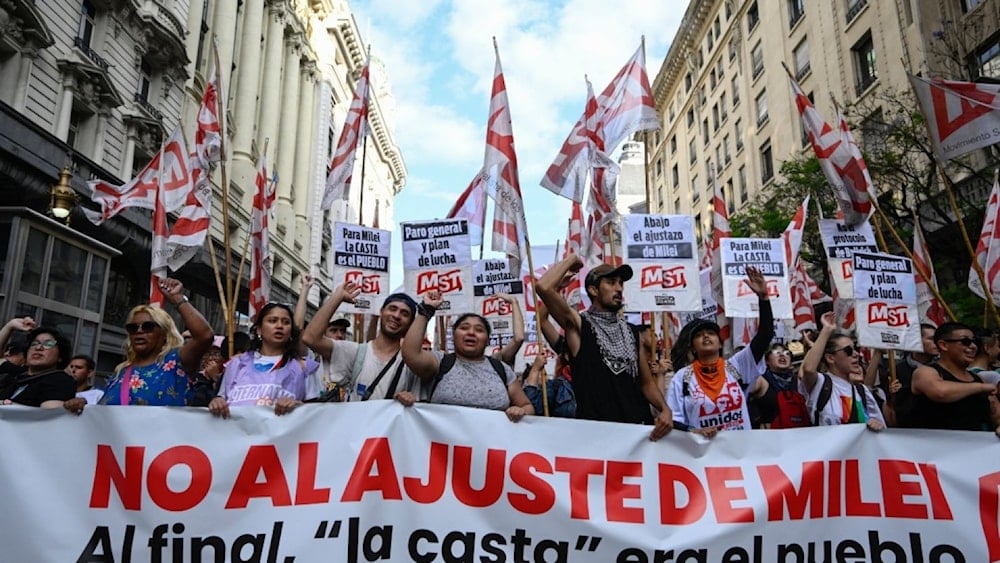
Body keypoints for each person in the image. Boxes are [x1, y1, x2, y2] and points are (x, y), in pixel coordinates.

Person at [535, 255, 672, 440]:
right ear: (593, 289)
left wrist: (664, 409)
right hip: (598, 437)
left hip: (636, 434)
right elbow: (543, 287)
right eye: (611, 282)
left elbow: (645, 382)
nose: (619, 288)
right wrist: (571, 261)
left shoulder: (631, 332)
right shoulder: (580, 324)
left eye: (621, 283)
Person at [66, 278, 213, 412]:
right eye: (133, 328)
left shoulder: (176, 362)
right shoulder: (121, 372)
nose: (139, 331)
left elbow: (204, 336)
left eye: (148, 327)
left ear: (163, 333)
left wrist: (177, 299)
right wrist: (83, 405)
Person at [395, 290, 534, 422]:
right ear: (454, 336)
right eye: (464, 328)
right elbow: (411, 353)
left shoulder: (501, 369)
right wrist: (426, 311)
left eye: (479, 330)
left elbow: (527, 406)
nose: (471, 333)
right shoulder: (441, 362)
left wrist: (521, 411)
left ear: (487, 340)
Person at [666, 267, 774, 435]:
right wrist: (693, 431)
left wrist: (764, 298)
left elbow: (765, 336)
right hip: (704, 455)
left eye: (711, 333)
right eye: (700, 335)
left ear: (720, 343)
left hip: (740, 452)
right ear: (693, 347)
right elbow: (673, 420)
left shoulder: (737, 366)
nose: (706, 337)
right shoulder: (682, 378)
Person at [302, 283, 421, 402]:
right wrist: (337, 297)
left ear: (411, 323)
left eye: (405, 314)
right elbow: (310, 338)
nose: (396, 315)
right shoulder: (355, 352)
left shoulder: (412, 364)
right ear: (381, 312)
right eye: (392, 309)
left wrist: (411, 400)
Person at [208, 303, 318, 418]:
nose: (279, 326)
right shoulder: (237, 364)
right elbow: (222, 397)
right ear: (259, 329)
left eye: (286, 322)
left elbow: (316, 414)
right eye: (272, 321)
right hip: (237, 433)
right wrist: (217, 401)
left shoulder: (303, 368)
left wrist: (298, 406)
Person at [800, 312, 885, 431]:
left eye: (855, 349)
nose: (855, 354)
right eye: (848, 350)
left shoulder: (862, 391)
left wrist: (875, 424)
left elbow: (882, 430)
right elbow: (808, 369)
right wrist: (827, 330)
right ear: (830, 358)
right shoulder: (821, 384)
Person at [910, 322, 999, 434]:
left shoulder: (979, 379)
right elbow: (939, 392)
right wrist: (980, 388)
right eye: (965, 341)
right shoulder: (925, 372)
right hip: (934, 447)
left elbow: (996, 416)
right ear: (943, 345)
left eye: (974, 341)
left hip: (974, 447)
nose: (973, 346)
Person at [865, 323, 936, 426]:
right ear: (916, 341)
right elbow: (890, 409)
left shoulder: (943, 367)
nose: (937, 343)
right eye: (931, 339)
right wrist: (892, 396)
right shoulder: (897, 371)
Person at [0, 327, 75, 408]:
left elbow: (49, 415)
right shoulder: (18, 377)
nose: (38, 348)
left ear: (60, 356)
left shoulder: (60, 380)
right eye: (34, 343)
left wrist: (5, 404)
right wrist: (10, 326)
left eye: (48, 344)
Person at [747, 343, 808, 429]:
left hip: (797, 436)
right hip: (771, 438)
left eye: (787, 353)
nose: (783, 355)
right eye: (777, 353)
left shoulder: (799, 381)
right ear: (767, 361)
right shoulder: (761, 381)